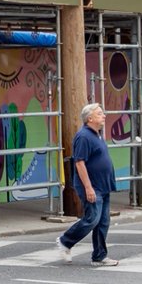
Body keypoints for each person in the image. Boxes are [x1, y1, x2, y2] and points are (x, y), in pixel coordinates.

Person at [55, 102, 119, 266]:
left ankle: (99, 256)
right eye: (99, 113)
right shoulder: (83, 136)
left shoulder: (97, 134)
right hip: (92, 186)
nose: (104, 116)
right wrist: (88, 188)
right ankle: (65, 241)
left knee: (103, 222)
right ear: (90, 118)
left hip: (102, 186)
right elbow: (79, 163)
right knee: (92, 219)